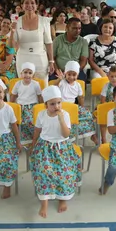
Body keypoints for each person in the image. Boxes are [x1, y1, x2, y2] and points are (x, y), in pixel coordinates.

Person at [30, 86, 81, 218]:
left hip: (62, 147)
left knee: (64, 172)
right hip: (45, 147)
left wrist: (61, 119)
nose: (56, 106)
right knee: (43, 172)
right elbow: (37, 131)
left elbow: (66, 134)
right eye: (52, 104)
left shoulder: (65, 115)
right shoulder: (41, 115)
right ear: (46, 104)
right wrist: (33, 145)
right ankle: (44, 202)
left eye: (59, 102)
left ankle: (62, 199)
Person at [11, 0, 55, 83]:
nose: (29, 5)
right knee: (24, 87)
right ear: (22, 6)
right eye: (26, 3)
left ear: (37, 5)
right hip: (22, 58)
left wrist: (51, 61)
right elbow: (12, 44)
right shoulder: (16, 21)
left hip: (40, 58)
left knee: (42, 87)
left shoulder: (44, 21)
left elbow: (49, 43)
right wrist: (12, 30)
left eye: (32, 3)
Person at [57, 61, 94, 141]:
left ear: (77, 75)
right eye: (69, 74)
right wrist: (58, 80)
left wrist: (82, 108)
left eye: (74, 75)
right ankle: (68, 137)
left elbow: (80, 98)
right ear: (65, 74)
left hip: (73, 107)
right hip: (61, 108)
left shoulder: (77, 85)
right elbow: (54, 88)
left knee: (88, 115)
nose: (71, 77)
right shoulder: (62, 82)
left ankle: (92, 135)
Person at [10, 62, 43, 147]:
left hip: (32, 107)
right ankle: (22, 139)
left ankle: (34, 139)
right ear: (21, 74)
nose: (27, 75)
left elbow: (39, 96)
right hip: (20, 107)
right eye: (25, 72)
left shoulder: (36, 84)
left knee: (31, 122)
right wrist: (10, 106)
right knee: (17, 123)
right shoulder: (18, 84)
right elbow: (13, 96)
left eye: (30, 73)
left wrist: (42, 107)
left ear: (33, 75)